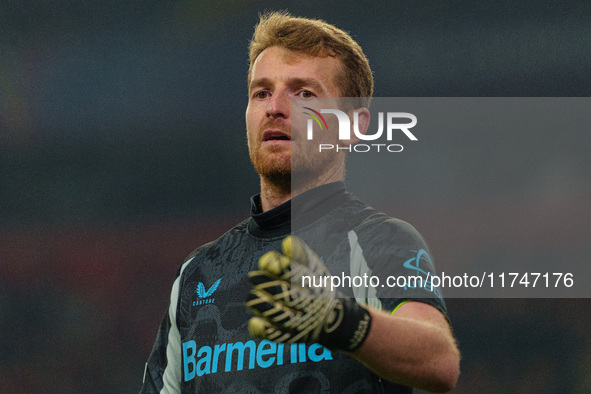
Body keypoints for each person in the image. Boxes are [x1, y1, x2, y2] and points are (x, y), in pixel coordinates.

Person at [140, 11, 460, 393]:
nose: (275, 107)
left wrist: (339, 320)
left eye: (304, 93)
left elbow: (438, 361)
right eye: (261, 92)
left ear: (354, 126)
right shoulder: (197, 274)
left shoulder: (380, 241)